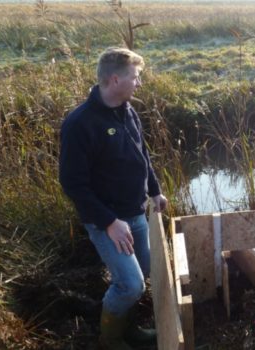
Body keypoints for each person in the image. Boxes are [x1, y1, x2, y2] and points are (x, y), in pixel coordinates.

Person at [59, 47, 167, 349]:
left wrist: (155, 191)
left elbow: (141, 154)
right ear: (115, 79)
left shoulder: (128, 111)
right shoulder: (80, 124)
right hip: (106, 221)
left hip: (135, 212)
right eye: (135, 77)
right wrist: (108, 222)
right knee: (130, 284)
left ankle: (129, 330)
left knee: (142, 274)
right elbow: (72, 184)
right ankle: (110, 339)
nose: (139, 83)